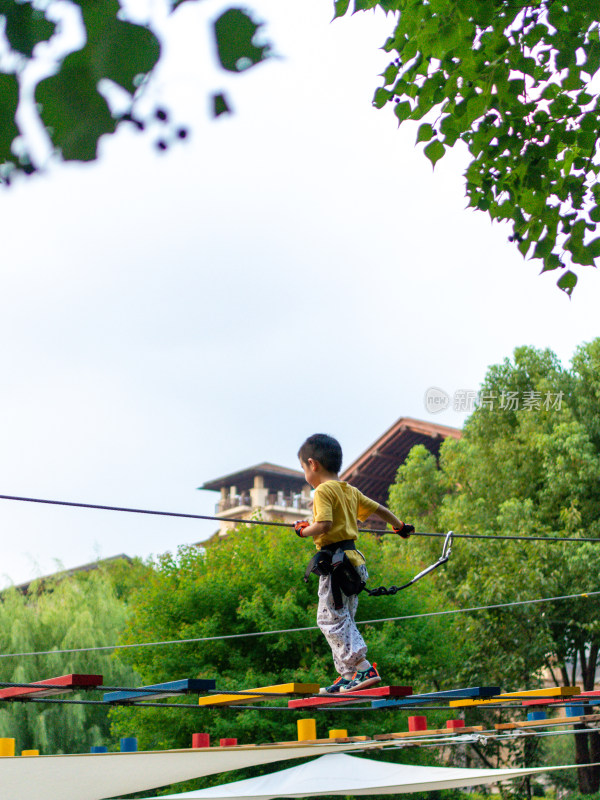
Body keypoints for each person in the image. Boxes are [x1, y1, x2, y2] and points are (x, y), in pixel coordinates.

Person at [295, 433, 413, 695]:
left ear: (313, 464)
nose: (305, 474)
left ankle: (362, 667)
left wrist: (303, 530)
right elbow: (379, 509)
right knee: (342, 618)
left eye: (303, 468)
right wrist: (399, 526)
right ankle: (348, 675)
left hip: (336, 565)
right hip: (354, 563)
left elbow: (323, 525)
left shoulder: (322, 490)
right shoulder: (349, 490)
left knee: (330, 621)